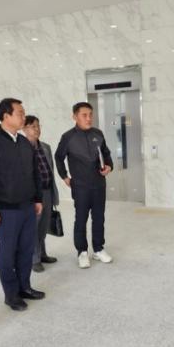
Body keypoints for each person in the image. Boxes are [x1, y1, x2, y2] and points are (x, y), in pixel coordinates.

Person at [0, 98, 45, 311]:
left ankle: (25, 287)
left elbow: (35, 174)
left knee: (26, 250)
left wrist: (38, 199)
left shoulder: (24, 143)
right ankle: (11, 294)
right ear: (6, 116)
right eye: (20, 113)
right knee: (7, 254)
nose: (24, 116)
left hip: (27, 207)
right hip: (6, 211)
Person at [55, 102, 113, 269]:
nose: (89, 118)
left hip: (99, 185)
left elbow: (106, 154)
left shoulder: (98, 134)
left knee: (99, 218)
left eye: (90, 115)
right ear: (75, 116)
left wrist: (109, 166)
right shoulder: (68, 137)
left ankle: (98, 249)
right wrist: (64, 176)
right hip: (80, 186)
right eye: (84, 115)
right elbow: (59, 157)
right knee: (81, 219)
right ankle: (82, 252)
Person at [22, 115, 59, 273]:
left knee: (44, 225)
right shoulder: (21, 148)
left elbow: (51, 171)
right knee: (34, 228)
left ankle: (42, 254)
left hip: (47, 191)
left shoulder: (46, 147)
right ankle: (34, 259)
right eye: (32, 126)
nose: (36, 129)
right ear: (24, 129)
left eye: (38, 126)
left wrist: (54, 194)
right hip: (33, 196)